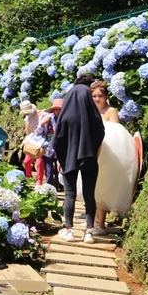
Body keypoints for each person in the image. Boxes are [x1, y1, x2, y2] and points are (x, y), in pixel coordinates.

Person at [52, 77, 106, 243]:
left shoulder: (66, 116)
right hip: (89, 158)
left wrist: (61, 158)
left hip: (69, 159)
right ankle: (88, 231)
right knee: (89, 194)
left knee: (69, 194)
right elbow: (100, 134)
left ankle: (68, 230)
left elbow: (57, 139)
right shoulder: (94, 116)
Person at [87, 81, 136, 233]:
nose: (96, 99)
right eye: (94, 96)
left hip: (109, 155)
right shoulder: (90, 111)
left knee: (103, 188)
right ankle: (94, 221)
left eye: (100, 96)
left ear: (106, 96)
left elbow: (117, 136)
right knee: (93, 188)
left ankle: (101, 224)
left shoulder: (111, 111)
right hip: (93, 153)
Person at [20, 100, 48, 181]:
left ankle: (39, 181)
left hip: (42, 140)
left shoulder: (43, 115)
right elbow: (27, 132)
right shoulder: (27, 119)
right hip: (32, 140)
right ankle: (28, 177)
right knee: (26, 161)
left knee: (39, 162)